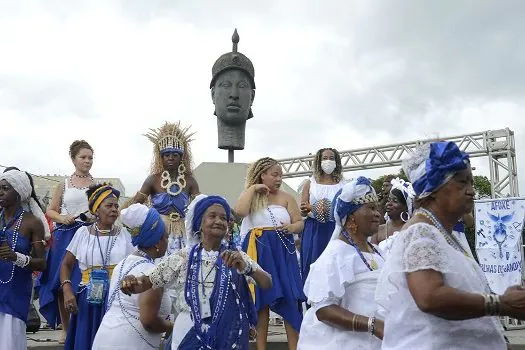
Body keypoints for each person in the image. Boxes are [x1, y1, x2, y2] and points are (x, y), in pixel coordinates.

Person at [375, 141, 525, 349]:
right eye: (462, 183)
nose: (471, 191)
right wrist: (501, 303)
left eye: (471, 183)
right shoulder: (421, 232)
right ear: (434, 188)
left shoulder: (441, 233)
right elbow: (429, 297)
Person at [120, 195, 272, 349]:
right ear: (199, 223)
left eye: (223, 218)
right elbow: (148, 281)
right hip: (188, 329)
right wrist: (132, 281)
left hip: (225, 334)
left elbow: (267, 283)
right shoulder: (184, 257)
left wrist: (246, 267)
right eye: (212, 216)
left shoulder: (236, 257)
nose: (219, 221)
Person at [298, 177, 384, 349]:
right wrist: (371, 325)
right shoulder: (335, 255)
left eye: (377, 208)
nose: (377, 214)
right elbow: (323, 310)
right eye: (371, 208)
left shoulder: (378, 252)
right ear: (351, 217)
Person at [235, 157, 305, 350]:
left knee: (290, 299)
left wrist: (292, 227)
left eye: (281, 175)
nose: (279, 178)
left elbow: (300, 223)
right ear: (262, 175)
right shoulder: (251, 196)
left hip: (283, 253)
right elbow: (239, 211)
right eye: (274, 174)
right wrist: (253, 189)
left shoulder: (286, 197)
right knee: (261, 301)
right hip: (258, 252)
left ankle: (294, 347)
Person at [60, 183, 133, 350]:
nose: (114, 209)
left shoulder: (125, 235)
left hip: (117, 299)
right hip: (88, 299)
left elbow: (134, 265)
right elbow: (65, 264)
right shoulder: (82, 234)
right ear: (96, 210)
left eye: (116, 206)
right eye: (109, 206)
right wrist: (67, 290)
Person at [92, 204, 172, 349]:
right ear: (157, 243)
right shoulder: (152, 273)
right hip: (130, 343)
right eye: (166, 237)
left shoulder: (122, 264)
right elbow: (148, 321)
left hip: (105, 337)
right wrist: (174, 326)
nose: (168, 241)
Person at [39, 140, 95, 342]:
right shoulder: (63, 184)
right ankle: (65, 327)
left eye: (90, 157)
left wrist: (93, 217)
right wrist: (62, 218)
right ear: (73, 159)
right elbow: (50, 210)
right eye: (83, 157)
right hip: (64, 236)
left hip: (88, 236)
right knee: (63, 281)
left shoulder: (96, 185)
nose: (87, 161)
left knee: (83, 280)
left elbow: (101, 210)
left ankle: (84, 326)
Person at [126, 122, 199, 256]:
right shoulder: (152, 180)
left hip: (182, 232)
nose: (170, 158)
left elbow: (200, 206)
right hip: (158, 232)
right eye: (167, 155)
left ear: (181, 157)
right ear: (161, 157)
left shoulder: (190, 181)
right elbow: (135, 205)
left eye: (175, 155)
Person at [0, 169, 48, 350]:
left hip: (16, 292)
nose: (0, 192)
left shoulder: (32, 222)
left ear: (19, 192)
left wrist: (15, 257)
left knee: (9, 343)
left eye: (5, 188)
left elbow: (42, 263)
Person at [299, 148, 346, 285]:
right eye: (325, 158)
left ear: (336, 162)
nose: (328, 161)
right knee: (313, 265)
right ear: (319, 161)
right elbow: (302, 211)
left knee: (335, 266)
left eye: (331, 158)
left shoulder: (344, 183)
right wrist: (307, 208)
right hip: (314, 229)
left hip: (336, 228)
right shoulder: (309, 183)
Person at [373, 178, 416, 257]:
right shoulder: (378, 230)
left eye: (395, 201)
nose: (389, 204)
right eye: (389, 200)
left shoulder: (412, 230)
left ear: (406, 207)